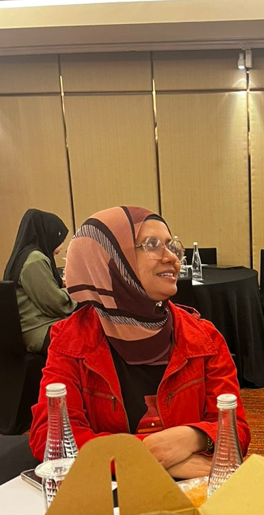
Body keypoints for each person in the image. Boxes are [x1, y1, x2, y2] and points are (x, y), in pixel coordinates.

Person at [29, 205, 250, 480]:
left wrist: (192, 437)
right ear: (109, 260)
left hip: (193, 494)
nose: (172, 257)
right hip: (111, 498)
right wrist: (149, 456)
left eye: (172, 245)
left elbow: (236, 429)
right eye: (152, 245)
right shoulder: (70, 341)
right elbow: (52, 438)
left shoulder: (203, 337)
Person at [3, 209, 77, 354]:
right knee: (94, 334)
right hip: (40, 330)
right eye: (60, 238)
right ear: (48, 234)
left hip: (33, 327)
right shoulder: (35, 259)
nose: (61, 246)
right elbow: (55, 303)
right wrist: (77, 292)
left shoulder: (24, 255)